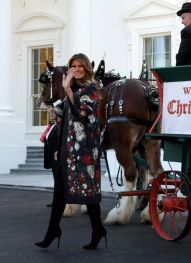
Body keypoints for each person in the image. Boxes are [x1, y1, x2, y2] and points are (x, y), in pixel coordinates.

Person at [35, 53, 106, 250]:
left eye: (80, 66)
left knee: (88, 194)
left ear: (86, 68)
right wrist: (57, 149)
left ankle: (98, 229)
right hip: (67, 151)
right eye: (73, 66)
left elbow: (81, 111)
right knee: (59, 192)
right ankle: (52, 232)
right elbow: (62, 119)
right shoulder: (73, 89)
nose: (76, 69)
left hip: (84, 153)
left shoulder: (92, 89)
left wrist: (66, 88)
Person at [41, 101, 63, 207]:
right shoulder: (53, 126)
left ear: (57, 115)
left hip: (56, 158)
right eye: (50, 113)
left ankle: (57, 202)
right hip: (52, 157)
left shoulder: (58, 127)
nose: (51, 115)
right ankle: (56, 201)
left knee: (58, 181)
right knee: (56, 180)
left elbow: (59, 142)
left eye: (53, 114)